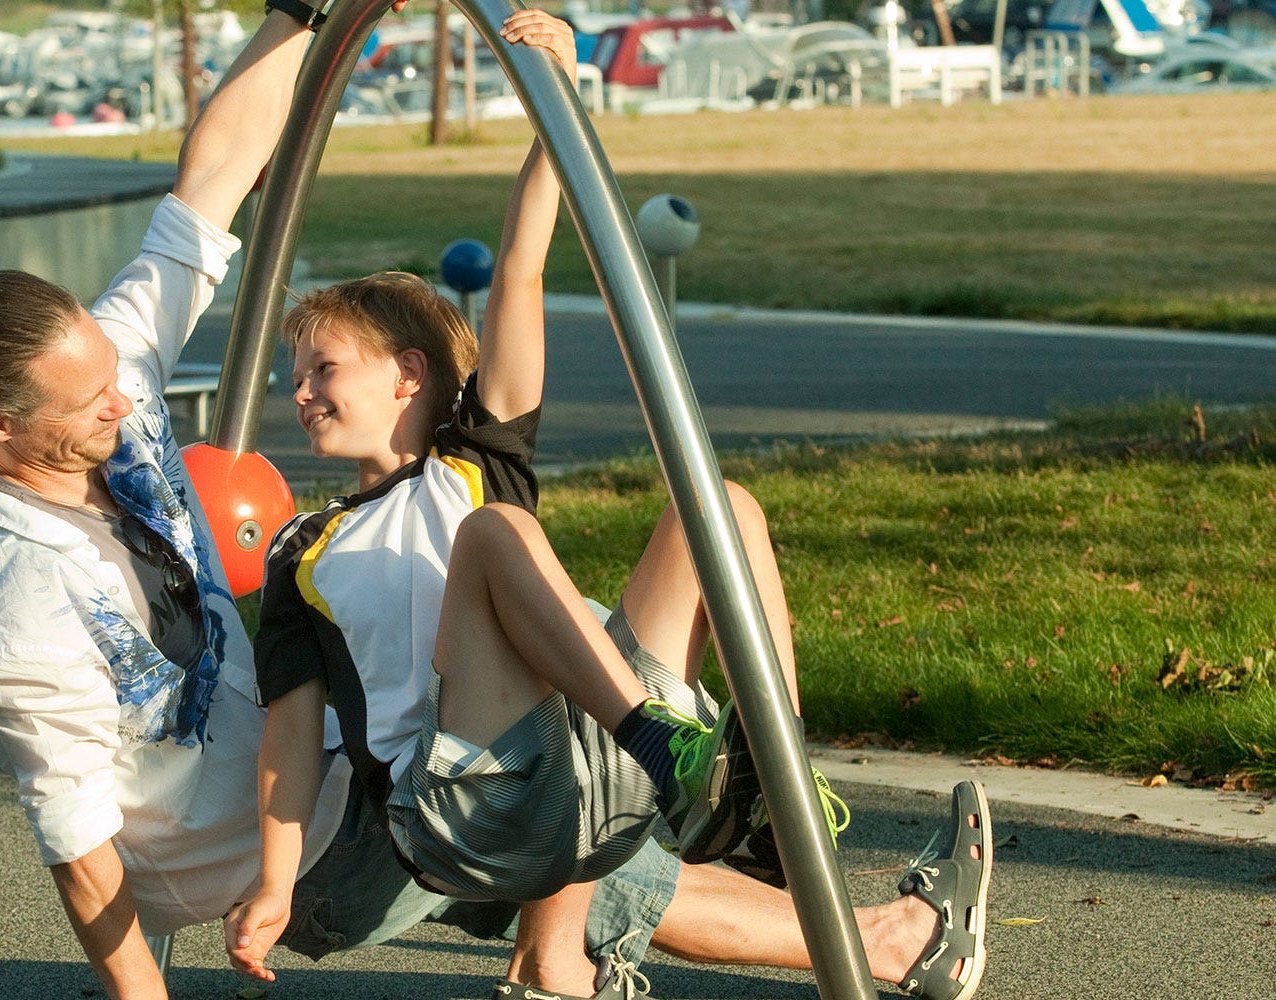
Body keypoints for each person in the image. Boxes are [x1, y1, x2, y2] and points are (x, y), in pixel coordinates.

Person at [222, 11, 994, 1000]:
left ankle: (771, 789)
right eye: (294, 374)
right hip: (455, 805)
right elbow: (291, 728)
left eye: (321, 368)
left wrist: (558, 109)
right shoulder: (306, 546)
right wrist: (277, 882)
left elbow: (521, 269)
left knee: (721, 511)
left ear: (406, 375)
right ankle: (663, 749)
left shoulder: (475, 457)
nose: (298, 392)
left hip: (576, 761)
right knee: (503, 541)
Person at [0, 6, 365, 999]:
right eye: (90, 401)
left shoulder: (106, 378)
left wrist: (297, 13)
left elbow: (211, 182)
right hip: (256, 864)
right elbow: (76, 850)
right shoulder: (8, 609)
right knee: (600, 839)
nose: (125, 401)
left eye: (116, 373)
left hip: (311, 755)